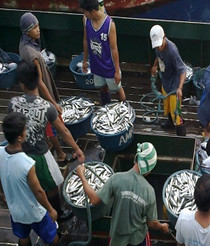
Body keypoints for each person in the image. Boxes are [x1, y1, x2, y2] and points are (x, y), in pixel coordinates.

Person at [75, 142, 169, 246]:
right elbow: (152, 223)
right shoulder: (148, 191)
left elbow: (94, 200)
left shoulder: (116, 179)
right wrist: (162, 227)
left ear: (136, 159)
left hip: (118, 237)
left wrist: (82, 176)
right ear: (149, 168)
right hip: (138, 237)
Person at [8, 60, 85, 221]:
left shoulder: (13, 103)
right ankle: (57, 212)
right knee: (51, 186)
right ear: (39, 79)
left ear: (21, 84)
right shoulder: (46, 107)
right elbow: (63, 131)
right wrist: (76, 149)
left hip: (19, 155)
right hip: (41, 156)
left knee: (29, 185)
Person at [0, 112, 74, 246]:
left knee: (23, 237)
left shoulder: (0, 153)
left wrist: (3, 195)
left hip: (15, 210)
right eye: (25, 130)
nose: (26, 131)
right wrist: (51, 209)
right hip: (34, 211)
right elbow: (39, 191)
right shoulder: (27, 163)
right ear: (20, 137)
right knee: (52, 236)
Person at [19, 12, 70, 165]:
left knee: (46, 123)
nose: (38, 29)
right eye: (34, 27)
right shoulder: (32, 54)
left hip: (32, 92)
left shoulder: (24, 43)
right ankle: (60, 154)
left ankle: (49, 143)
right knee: (51, 124)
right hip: (41, 94)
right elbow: (40, 81)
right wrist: (53, 103)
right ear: (27, 31)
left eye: (38, 26)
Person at [79, 0, 126, 105]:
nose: (84, 14)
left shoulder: (110, 25)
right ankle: (106, 108)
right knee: (102, 88)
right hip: (96, 64)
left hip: (109, 66)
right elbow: (86, 40)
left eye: (85, 12)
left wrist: (117, 70)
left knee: (117, 88)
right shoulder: (86, 20)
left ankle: (125, 108)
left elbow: (114, 49)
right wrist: (85, 60)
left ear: (93, 12)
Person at [149, 24, 187, 136]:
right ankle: (170, 123)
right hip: (165, 81)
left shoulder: (172, 51)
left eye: (160, 45)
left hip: (174, 86)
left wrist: (180, 88)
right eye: (156, 46)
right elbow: (158, 55)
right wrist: (155, 66)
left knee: (176, 111)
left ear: (164, 37)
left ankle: (181, 134)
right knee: (168, 107)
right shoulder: (158, 48)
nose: (159, 47)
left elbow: (182, 70)